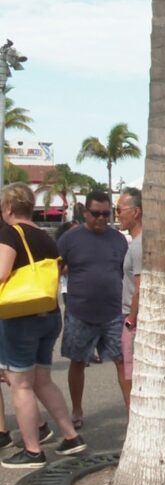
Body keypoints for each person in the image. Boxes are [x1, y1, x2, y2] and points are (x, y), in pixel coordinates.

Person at [0, 183, 87, 468]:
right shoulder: (46, 237)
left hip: (20, 316)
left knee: (20, 385)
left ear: (9, 208)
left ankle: (32, 451)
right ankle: (71, 436)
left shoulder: (11, 233)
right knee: (42, 380)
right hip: (49, 314)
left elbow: (1, 274)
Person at [58, 190, 129, 428]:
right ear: (85, 212)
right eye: (96, 213)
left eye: (106, 214)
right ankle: (77, 410)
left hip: (113, 314)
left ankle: (132, 413)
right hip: (80, 312)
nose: (100, 218)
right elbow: (55, 270)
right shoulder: (70, 239)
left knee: (123, 362)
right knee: (77, 362)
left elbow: (125, 274)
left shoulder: (118, 239)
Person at [116, 187, 142, 410]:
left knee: (131, 372)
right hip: (130, 316)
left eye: (120, 210)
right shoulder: (136, 244)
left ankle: (135, 421)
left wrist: (131, 319)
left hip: (133, 319)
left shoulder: (139, 246)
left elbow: (140, 289)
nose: (117, 215)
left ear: (136, 212)